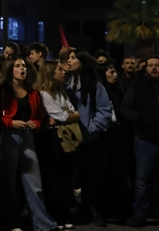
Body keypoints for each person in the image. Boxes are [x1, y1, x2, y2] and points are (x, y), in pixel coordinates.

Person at [0, 58, 57, 231]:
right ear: (10, 70)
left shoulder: (32, 92)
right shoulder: (2, 91)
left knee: (34, 183)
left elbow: (39, 115)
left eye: (24, 66)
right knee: (9, 183)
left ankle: (43, 225)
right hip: (9, 136)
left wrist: (35, 122)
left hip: (27, 137)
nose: (22, 69)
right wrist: (11, 123)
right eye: (18, 66)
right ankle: (11, 222)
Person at [63, 49, 113, 227]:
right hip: (68, 139)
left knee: (91, 177)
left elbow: (104, 111)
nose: (69, 61)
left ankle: (92, 210)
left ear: (82, 63)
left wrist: (92, 129)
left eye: (73, 58)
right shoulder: (65, 82)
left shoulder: (94, 85)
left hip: (88, 139)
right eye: (68, 58)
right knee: (71, 177)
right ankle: (74, 211)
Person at [121, 56, 159, 228]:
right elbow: (125, 108)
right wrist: (140, 118)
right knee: (142, 181)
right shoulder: (137, 87)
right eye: (150, 66)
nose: (154, 68)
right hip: (145, 142)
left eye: (158, 65)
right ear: (145, 69)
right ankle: (140, 215)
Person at [34, 60, 79, 230]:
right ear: (50, 73)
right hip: (50, 139)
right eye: (60, 70)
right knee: (54, 179)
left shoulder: (61, 92)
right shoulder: (44, 94)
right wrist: (68, 115)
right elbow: (63, 115)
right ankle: (55, 216)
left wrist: (67, 115)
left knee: (65, 177)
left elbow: (73, 113)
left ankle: (63, 214)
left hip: (63, 138)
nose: (64, 72)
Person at [96, 61, 133, 222]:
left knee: (120, 172)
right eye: (111, 72)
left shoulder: (119, 90)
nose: (115, 75)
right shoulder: (99, 91)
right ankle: (106, 209)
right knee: (105, 172)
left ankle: (121, 210)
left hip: (119, 134)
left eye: (115, 71)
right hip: (104, 135)